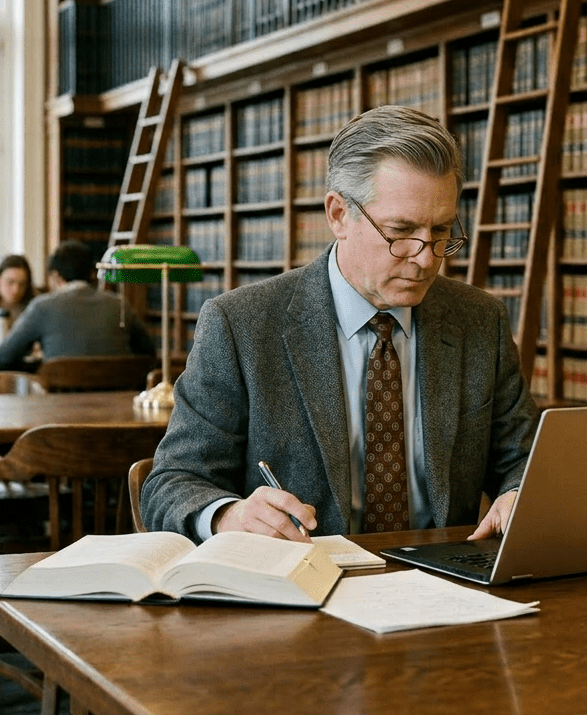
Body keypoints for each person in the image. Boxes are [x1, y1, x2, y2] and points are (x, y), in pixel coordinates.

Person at [141, 105, 539, 543]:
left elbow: (522, 457)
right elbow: (171, 483)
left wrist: (519, 491)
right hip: (305, 583)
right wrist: (228, 516)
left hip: (445, 580)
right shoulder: (241, 326)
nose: (426, 258)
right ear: (338, 215)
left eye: (441, 231)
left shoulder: (481, 321)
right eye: (400, 232)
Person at [0, 239, 155, 368]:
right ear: (92, 273)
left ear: (56, 276)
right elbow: (149, 353)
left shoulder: (42, 306)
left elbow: (3, 357)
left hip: (58, 404)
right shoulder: (120, 304)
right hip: (119, 401)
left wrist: (40, 369)